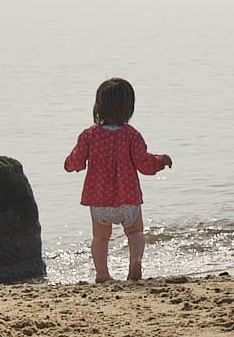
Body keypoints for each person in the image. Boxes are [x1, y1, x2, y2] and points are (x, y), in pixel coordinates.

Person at [63, 77, 173, 282]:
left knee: (100, 238)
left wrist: (69, 164)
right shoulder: (131, 135)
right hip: (128, 197)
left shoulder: (89, 135)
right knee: (135, 232)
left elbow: (76, 161)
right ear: (129, 108)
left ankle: (103, 275)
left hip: (99, 199)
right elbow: (144, 164)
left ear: (98, 107)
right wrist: (161, 160)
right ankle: (135, 263)